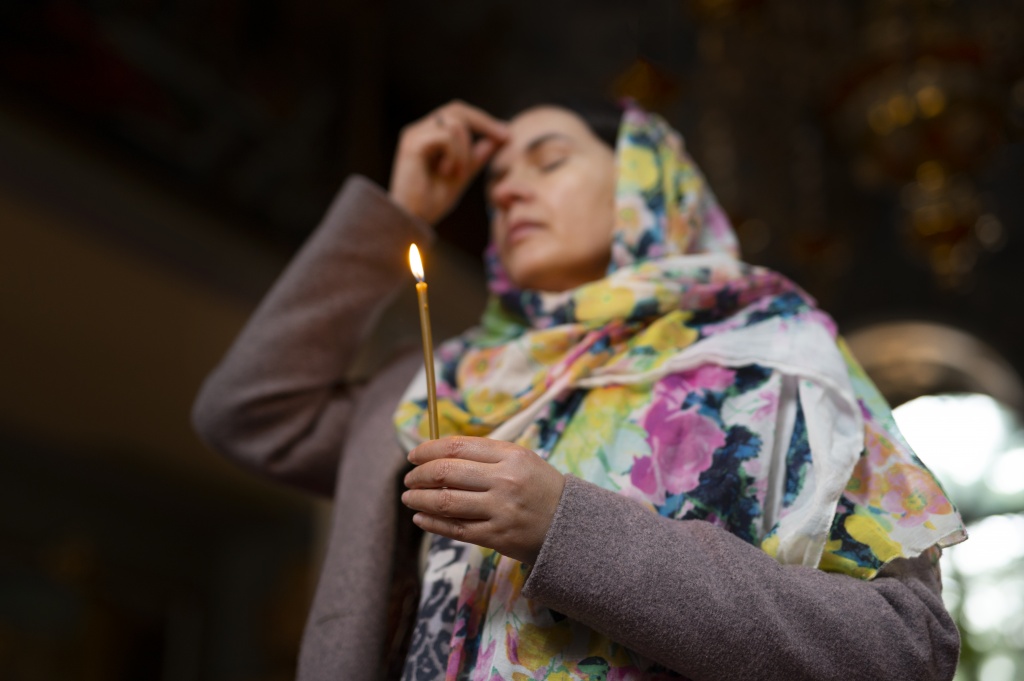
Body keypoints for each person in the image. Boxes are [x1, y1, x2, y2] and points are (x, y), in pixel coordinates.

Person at [192, 99, 966, 681]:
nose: (508, 192)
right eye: (495, 181)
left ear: (644, 182)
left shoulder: (776, 357)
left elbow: (906, 647)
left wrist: (566, 524)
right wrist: (402, 210)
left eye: (549, 159)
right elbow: (248, 412)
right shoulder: (436, 382)